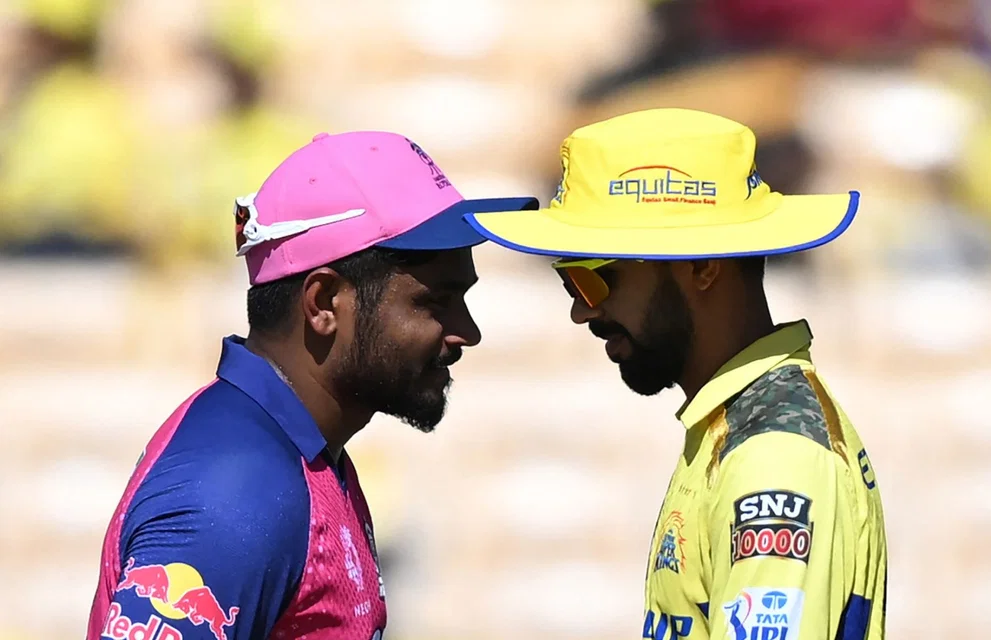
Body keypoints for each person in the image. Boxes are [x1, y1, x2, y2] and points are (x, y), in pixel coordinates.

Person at [86, 131, 537, 640]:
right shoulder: (234, 491)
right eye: (435, 303)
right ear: (323, 303)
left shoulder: (298, 455)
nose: (467, 332)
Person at [464, 108, 887, 640]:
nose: (582, 310)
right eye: (569, 281)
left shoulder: (774, 454)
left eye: (595, 279)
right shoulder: (733, 428)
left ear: (703, 267)